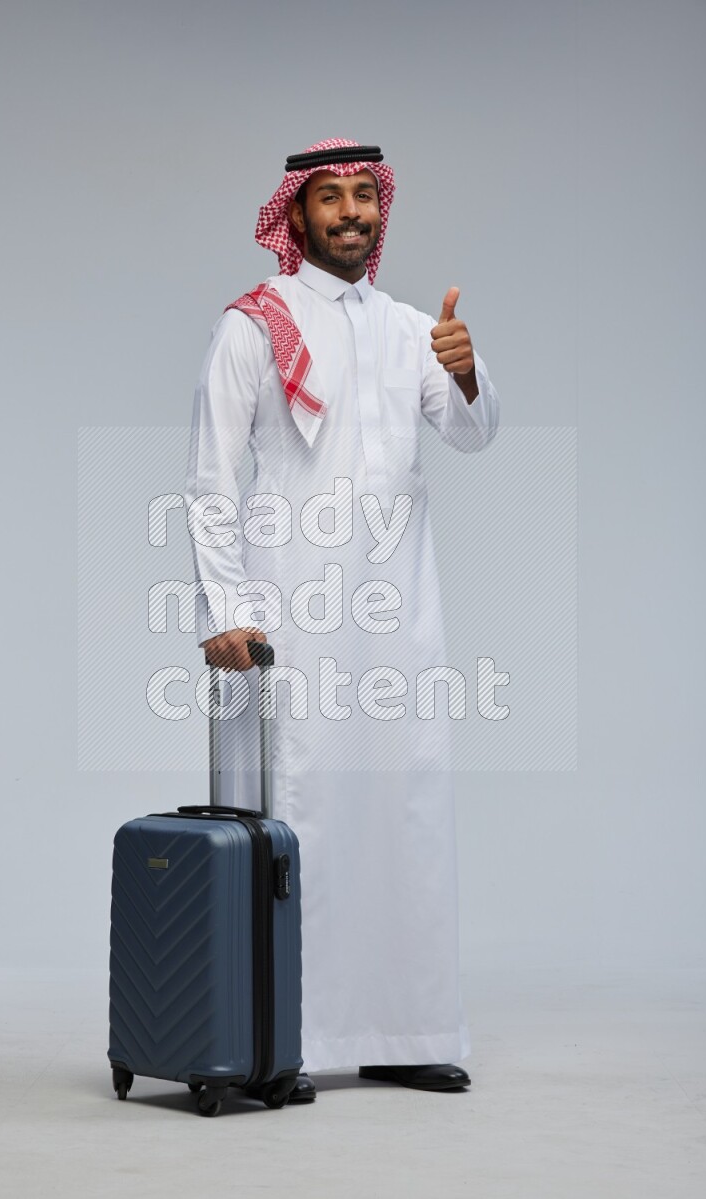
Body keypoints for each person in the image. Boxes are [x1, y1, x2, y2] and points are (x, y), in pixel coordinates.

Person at [183, 138, 500, 1101]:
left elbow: (472, 434)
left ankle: (405, 1029)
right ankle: (277, 1035)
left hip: (398, 617)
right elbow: (209, 479)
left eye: (366, 195)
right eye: (332, 197)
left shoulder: (414, 330)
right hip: (291, 616)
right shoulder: (255, 324)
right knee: (297, 820)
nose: (353, 212)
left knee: (405, 813)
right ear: (299, 213)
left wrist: (470, 368)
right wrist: (226, 610)